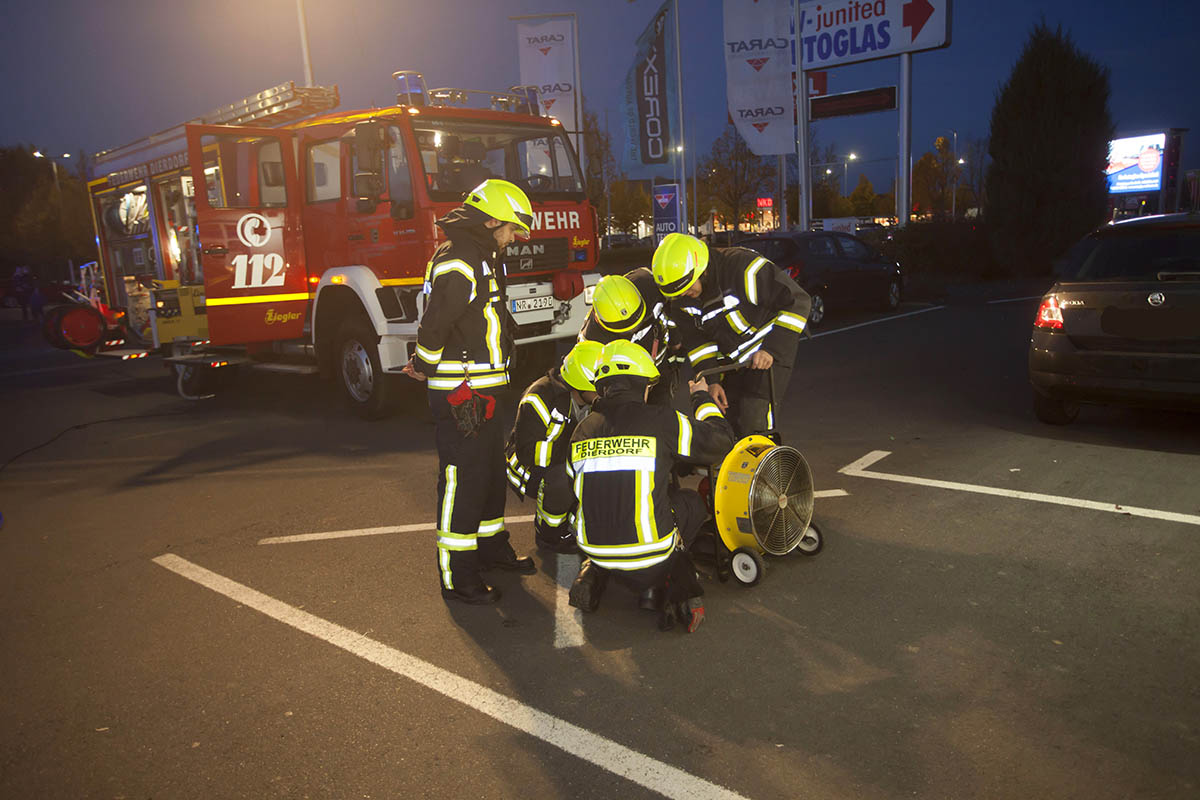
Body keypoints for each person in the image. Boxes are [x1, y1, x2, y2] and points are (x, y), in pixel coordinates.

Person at [401, 178, 537, 605]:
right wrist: (423, 364)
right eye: (512, 229)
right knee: (463, 479)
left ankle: (490, 548)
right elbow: (437, 322)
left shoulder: (481, 254)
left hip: (484, 387)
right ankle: (458, 575)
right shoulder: (460, 258)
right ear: (492, 219)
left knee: (490, 475)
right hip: (464, 390)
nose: (514, 238)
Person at [563, 339, 735, 633]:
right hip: (650, 557)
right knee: (691, 503)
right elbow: (720, 441)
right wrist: (701, 399)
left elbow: (578, 486)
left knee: (608, 505)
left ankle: (593, 572)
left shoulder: (583, 430)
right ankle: (661, 583)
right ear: (643, 384)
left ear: (603, 386)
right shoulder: (661, 420)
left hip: (594, 547)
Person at [651, 232, 812, 437]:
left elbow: (798, 301)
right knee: (728, 423)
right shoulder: (680, 298)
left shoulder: (741, 267)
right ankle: (741, 467)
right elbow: (699, 344)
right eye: (675, 292)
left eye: (686, 287)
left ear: (701, 270)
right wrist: (713, 380)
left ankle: (767, 466)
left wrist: (771, 349)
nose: (682, 294)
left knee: (755, 418)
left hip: (768, 350)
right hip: (734, 360)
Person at [505, 339, 602, 554]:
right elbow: (528, 452)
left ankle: (575, 516)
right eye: (599, 388)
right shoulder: (539, 397)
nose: (604, 393)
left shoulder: (588, 399)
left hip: (569, 459)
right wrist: (578, 454)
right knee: (562, 479)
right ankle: (549, 533)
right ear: (581, 383)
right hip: (532, 469)